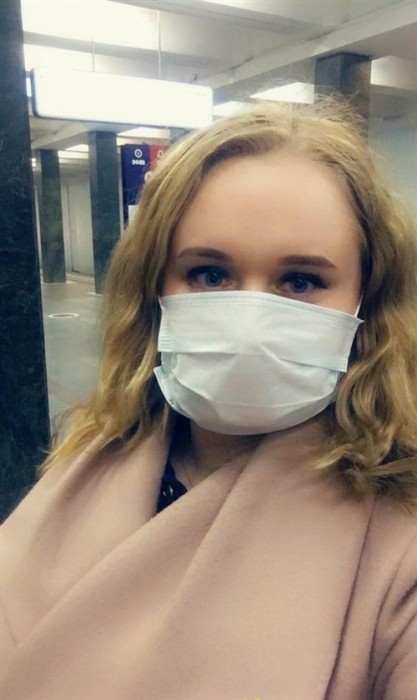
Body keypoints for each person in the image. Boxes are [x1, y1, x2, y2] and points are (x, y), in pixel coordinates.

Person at [1, 101, 417, 700]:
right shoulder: (90, 457)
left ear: (365, 302)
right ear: (154, 288)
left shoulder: (398, 542)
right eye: (209, 275)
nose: (250, 322)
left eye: (300, 281)